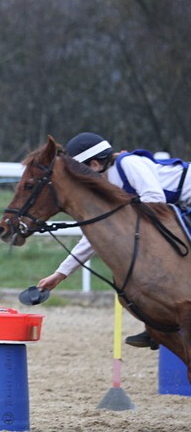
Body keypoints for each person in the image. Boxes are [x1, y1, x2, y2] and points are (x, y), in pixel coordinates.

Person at [36, 131, 191, 348]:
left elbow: (155, 199)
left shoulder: (129, 164)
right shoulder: (108, 186)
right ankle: (158, 325)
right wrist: (60, 274)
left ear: (95, 165)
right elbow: (94, 237)